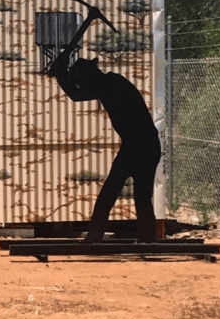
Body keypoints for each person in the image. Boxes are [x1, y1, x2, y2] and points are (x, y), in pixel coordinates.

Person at [48, 54, 161, 243]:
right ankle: (147, 239)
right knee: (139, 197)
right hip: (143, 145)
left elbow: (76, 94)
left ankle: (98, 237)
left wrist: (61, 73)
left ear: (88, 76)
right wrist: (62, 74)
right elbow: (77, 92)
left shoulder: (108, 84)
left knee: (110, 195)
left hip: (139, 146)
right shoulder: (110, 82)